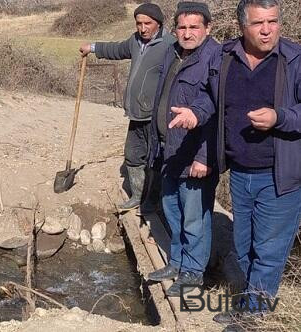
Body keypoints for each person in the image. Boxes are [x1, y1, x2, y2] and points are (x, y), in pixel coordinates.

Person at [169, 0, 301, 327]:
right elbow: (210, 97)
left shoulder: (295, 60)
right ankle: (247, 304)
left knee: (267, 254)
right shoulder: (225, 57)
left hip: (280, 176)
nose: (267, 30)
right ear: (243, 26)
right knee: (244, 250)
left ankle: (254, 320)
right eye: (258, 23)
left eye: (273, 21)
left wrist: (279, 117)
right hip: (240, 174)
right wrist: (195, 113)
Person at [144, 2, 220, 297]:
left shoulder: (215, 58)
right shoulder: (173, 52)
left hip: (194, 154)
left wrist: (205, 156)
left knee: (194, 217)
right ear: (175, 29)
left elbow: (216, 110)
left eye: (194, 27)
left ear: (208, 28)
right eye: (182, 27)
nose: (187, 34)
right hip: (169, 150)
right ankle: (177, 262)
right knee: (172, 210)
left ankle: (193, 272)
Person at [79, 3, 175, 213]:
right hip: (136, 114)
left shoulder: (170, 45)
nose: (142, 28)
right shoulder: (135, 40)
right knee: (132, 155)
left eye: (147, 23)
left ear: (158, 23)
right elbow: (116, 49)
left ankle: (153, 201)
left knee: (156, 159)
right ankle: (137, 196)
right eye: (139, 23)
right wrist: (92, 47)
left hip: (155, 117)